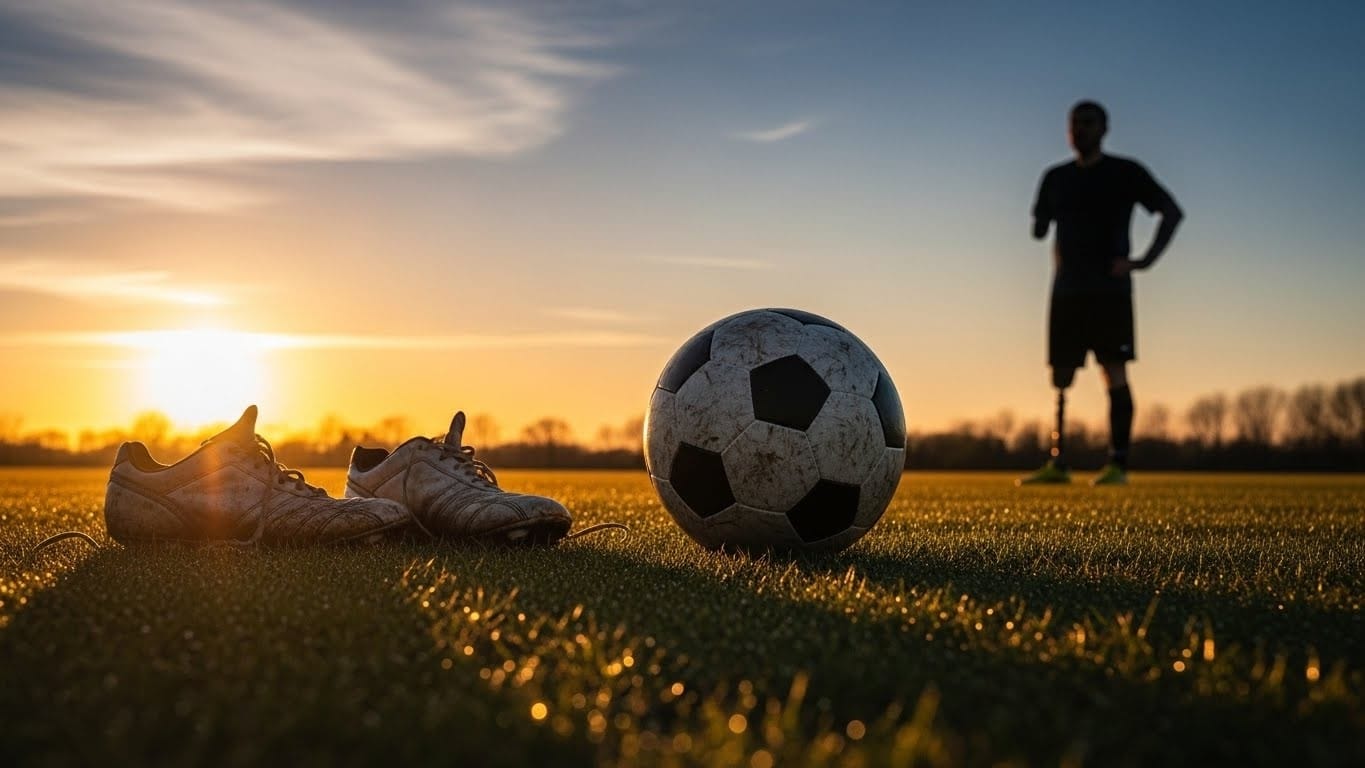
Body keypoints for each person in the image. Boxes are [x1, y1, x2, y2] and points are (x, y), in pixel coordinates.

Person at [1019, 100, 1183, 486]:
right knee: (1061, 375)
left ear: (1104, 128)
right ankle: (1058, 463)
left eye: (1088, 123)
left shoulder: (1125, 173)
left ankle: (1118, 465)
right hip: (1066, 292)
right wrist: (1041, 220)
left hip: (1109, 292)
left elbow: (1171, 211)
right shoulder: (1055, 177)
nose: (1080, 130)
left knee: (1114, 371)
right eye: (1074, 124)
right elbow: (1039, 229)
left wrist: (1143, 261)